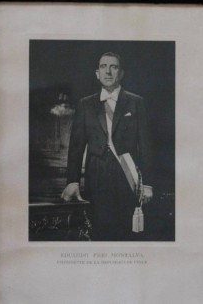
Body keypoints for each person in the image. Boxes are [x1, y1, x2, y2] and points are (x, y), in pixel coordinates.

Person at [61, 52, 153, 241]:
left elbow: (146, 146)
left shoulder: (136, 102)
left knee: (127, 235)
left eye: (114, 67)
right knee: (98, 232)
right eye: (103, 67)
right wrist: (72, 181)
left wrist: (148, 184)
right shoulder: (85, 104)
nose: (108, 71)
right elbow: (76, 146)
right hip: (96, 178)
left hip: (127, 178)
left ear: (121, 73)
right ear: (97, 73)